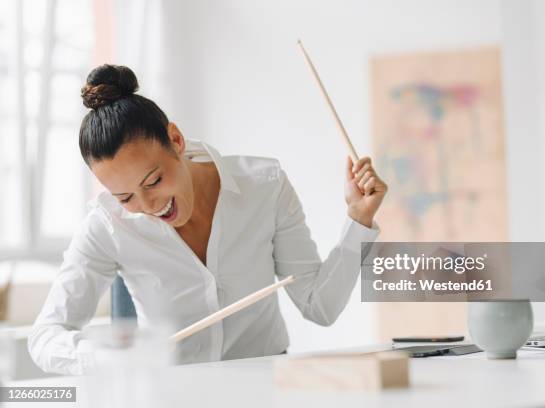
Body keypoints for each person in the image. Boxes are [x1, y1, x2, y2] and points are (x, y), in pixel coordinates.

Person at [28, 64, 388, 375]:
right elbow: (45, 338)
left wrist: (358, 220)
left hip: (263, 390)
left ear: (176, 139)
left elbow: (318, 306)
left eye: (153, 181)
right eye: (125, 197)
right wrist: (104, 358)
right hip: (170, 394)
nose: (147, 204)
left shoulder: (264, 186)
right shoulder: (106, 225)